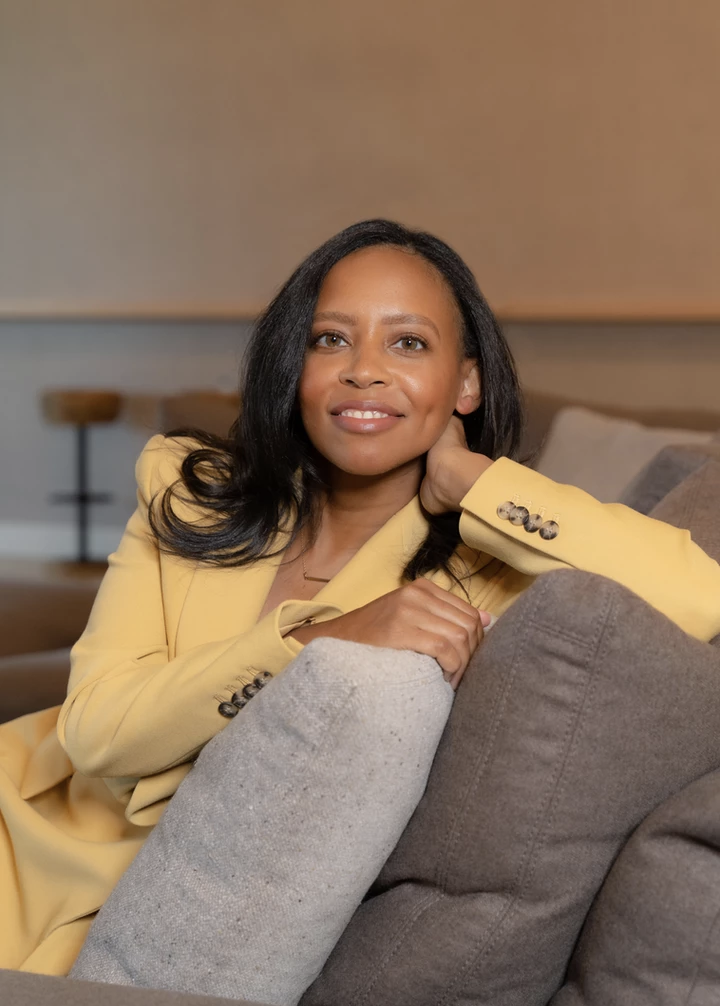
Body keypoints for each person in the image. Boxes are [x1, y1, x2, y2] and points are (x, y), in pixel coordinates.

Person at [1, 219, 719, 976]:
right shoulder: (190, 488)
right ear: (295, 367)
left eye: (407, 343)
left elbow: (701, 595)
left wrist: (475, 482)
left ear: (466, 383)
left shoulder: (493, 570)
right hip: (25, 838)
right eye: (330, 340)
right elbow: (97, 733)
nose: (364, 371)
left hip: (167, 911)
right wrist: (315, 638)